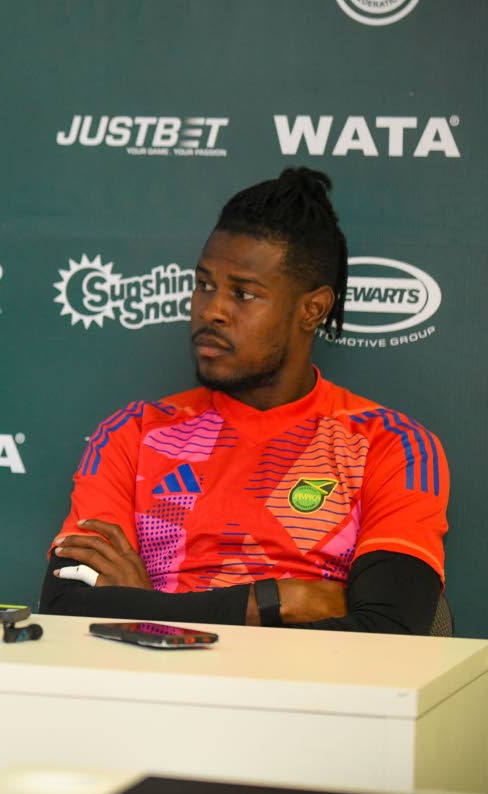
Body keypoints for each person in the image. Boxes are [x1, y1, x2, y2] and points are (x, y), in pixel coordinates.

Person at [40, 168, 448, 634]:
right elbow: (64, 607)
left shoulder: (391, 445)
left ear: (311, 309)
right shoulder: (133, 432)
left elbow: (391, 634)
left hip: (310, 702)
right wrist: (275, 601)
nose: (211, 309)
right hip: (148, 697)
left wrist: (142, 608)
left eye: (244, 293)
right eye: (205, 284)